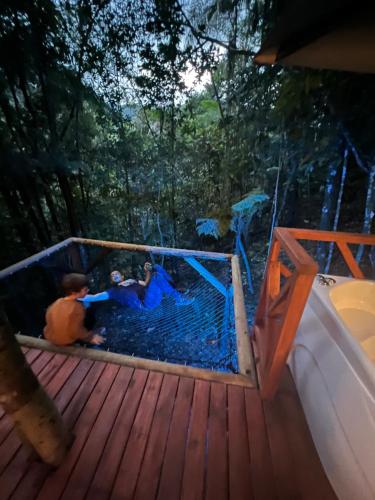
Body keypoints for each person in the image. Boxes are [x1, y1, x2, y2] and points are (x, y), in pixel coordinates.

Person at [81, 262, 193, 310]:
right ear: (111, 280)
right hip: (145, 303)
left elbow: (146, 284)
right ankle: (179, 299)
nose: (115, 275)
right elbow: (95, 297)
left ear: (122, 276)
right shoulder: (113, 291)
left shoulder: (131, 280)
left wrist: (147, 271)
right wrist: (78, 296)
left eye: (117, 273)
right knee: (157, 276)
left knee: (157, 267)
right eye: (112, 275)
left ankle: (175, 290)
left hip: (151, 294)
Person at [44, 273, 105, 346]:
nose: (88, 291)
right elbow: (75, 330)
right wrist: (90, 338)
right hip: (65, 342)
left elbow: (48, 315)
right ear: (74, 292)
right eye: (85, 290)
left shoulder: (58, 302)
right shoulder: (77, 307)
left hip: (50, 337)